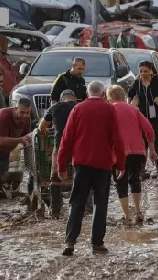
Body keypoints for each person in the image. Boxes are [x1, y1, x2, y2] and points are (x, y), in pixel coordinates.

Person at [58, 81, 125, 256]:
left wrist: (61, 164)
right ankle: (97, 243)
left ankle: (70, 242)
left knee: (77, 203)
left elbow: (66, 139)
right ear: (103, 94)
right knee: (100, 204)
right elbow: (117, 139)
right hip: (103, 165)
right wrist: (121, 164)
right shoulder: (109, 109)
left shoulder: (78, 109)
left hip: (81, 164)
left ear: (87, 94)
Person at [106, 85, 156, 224]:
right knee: (135, 180)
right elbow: (149, 130)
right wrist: (152, 149)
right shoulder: (134, 110)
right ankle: (139, 212)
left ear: (109, 99)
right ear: (123, 97)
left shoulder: (109, 111)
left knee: (120, 183)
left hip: (118, 154)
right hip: (138, 152)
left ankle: (127, 216)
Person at [38, 89, 77, 217]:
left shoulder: (55, 107)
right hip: (78, 146)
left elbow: (41, 127)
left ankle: (55, 211)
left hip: (60, 145)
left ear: (61, 99)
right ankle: (83, 208)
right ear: (74, 99)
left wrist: (45, 131)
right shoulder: (79, 107)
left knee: (55, 177)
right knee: (80, 175)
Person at [128, 61, 158, 178]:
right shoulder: (136, 83)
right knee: (143, 145)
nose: (143, 74)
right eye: (141, 71)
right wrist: (132, 102)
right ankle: (142, 171)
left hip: (156, 118)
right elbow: (130, 94)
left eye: (145, 71)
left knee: (156, 143)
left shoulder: (157, 81)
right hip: (141, 118)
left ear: (151, 70)